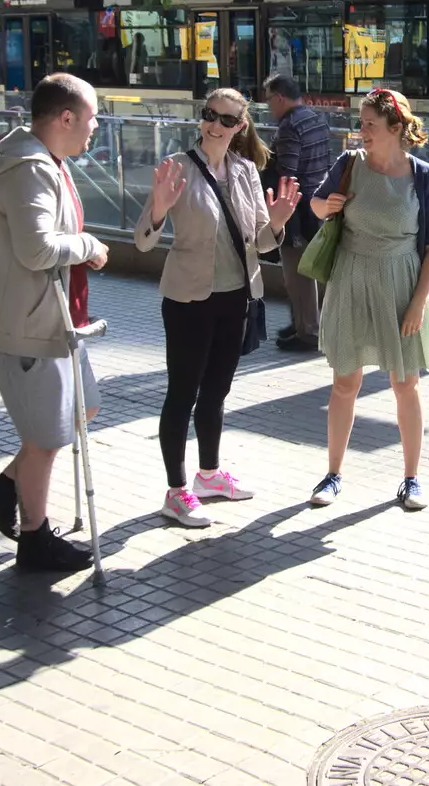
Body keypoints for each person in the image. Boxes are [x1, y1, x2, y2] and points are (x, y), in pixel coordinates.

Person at [135, 88, 301, 527]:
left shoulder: (246, 171)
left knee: (216, 392)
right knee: (182, 395)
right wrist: (157, 209)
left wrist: (279, 222)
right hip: (189, 299)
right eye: (210, 115)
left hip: (237, 297)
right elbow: (142, 240)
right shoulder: (176, 170)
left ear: (239, 128)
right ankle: (176, 491)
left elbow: (260, 243)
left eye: (227, 120)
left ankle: (209, 475)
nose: (215, 125)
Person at [0, 73, 111, 572]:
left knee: (82, 409)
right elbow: (38, 249)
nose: (96, 128)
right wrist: (89, 246)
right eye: (92, 118)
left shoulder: (46, 161)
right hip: (26, 328)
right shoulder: (30, 170)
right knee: (48, 439)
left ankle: (3, 489)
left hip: (55, 320)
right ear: (66, 118)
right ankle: (34, 538)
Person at [308, 89, 429, 511]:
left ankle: (411, 479)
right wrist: (323, 205)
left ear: (396, 128)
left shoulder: (423, 176)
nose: (361, 130)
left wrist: (418, 303)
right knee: (345, 381)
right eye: (361, 122)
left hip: (402, 282)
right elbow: (315, 205)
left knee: (405, 382)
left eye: (369, 124)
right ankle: (332, 475)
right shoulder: (348, 165)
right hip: (351, 278)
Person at [264, 72, 334, 352]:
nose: (268, 106)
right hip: (317, 204)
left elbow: (287, 173)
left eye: (269, 99)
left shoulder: (289, 126)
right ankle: (300, 324)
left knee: (297, 272)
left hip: (295, 208)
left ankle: (308, 332)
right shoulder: (316, 118)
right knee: (302, 270)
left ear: (280, 97)